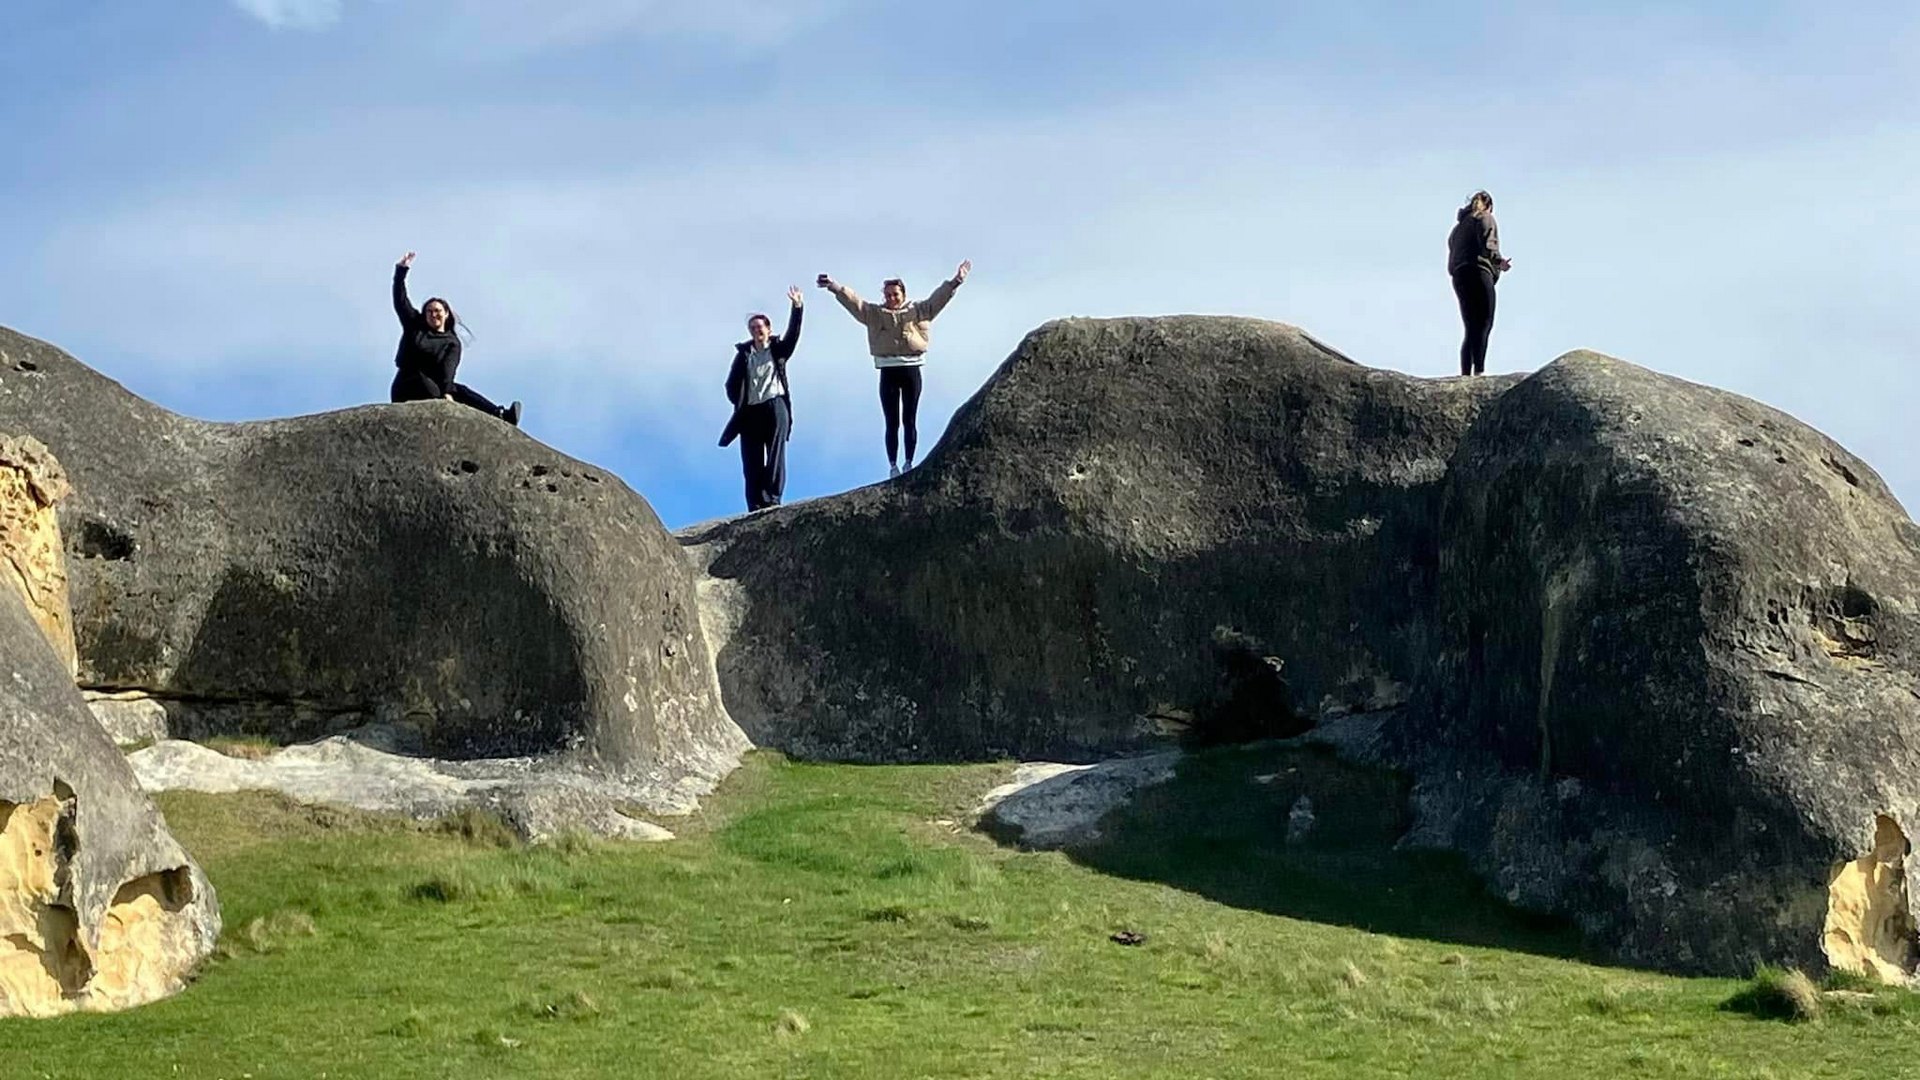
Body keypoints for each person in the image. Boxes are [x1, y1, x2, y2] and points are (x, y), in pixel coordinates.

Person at [817, 260, 971, 477]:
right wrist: (834, 286)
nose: (891, 298)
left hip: (911, 369)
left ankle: (908, 463)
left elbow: (939, 298)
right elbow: (855, 303)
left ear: (903, 294)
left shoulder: (918, 310)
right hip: (888, 369)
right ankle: (893, 466)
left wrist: (956, 281)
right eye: (888, 295)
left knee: (909, 418)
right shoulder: (874, 314)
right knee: (891, 421)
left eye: (895, 294)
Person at [389, 252, 522, 425]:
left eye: (437, 311)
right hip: (406, 384)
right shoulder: (415, 326)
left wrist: (447, 392)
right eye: (429, 311)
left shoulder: (451, 343)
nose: (433, 315)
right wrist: (401, 270)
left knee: (457, 389)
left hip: (431, 386)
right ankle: (446, 398)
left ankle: (500, 414)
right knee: (432, 384)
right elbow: (400, 301)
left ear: (446, 314)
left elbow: (448, 370)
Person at [719, 287, 804, 511]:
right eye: (753, 328)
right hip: (750, 411)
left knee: (775, 454)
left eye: (760, 327)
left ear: (768, 329)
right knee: (751, 460)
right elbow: (731, 384)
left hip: (775, 404)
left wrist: (797, 307)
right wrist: (740, 402)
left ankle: (772, 498)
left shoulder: (778, 349)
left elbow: (793, 334)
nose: (756, 331)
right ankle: (755, 504)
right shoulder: (744, 355)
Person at [1446, 192, 1512, 377]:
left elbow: (1452, 256)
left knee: (1470, 327)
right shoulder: (1485, 217)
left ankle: (1465, 374)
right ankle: (1479, 371)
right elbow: (1488, 243)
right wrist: (1499, 262)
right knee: (1484, 322)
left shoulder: (1457, 230)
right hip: (1480, 271)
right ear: (1489, 206)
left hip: (1460, 276)